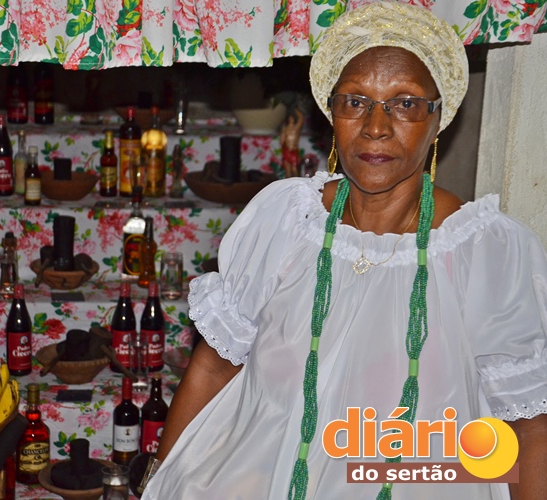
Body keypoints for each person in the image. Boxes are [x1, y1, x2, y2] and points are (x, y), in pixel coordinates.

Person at [141, 3, 547, 500]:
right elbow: (213, 367)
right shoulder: (286, 222)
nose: (376, 126)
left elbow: (529, 426)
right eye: (355, 101)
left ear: (438, 117)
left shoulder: (484, 251)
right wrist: (158, 478)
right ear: (331, 113)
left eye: (405, 103)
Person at [280, 109, 305, 178]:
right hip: (287, 150)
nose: (291, 119)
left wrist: (295, 109)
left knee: (294, 169)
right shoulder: (285, 129)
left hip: (294, 150)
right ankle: (288, 182)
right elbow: (282, 140)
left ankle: (297, 181)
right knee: (287, 169)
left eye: (292, 118)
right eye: (290, 118)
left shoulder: (296, 128)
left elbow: (301, 118)